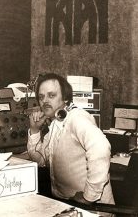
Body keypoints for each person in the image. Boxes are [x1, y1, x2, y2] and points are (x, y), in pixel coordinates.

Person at [27, 73, 114, 205]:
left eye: (51, 95)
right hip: (65, 204)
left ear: (65, 98)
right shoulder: (56, 123)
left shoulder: (77, 118)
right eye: (41, 97)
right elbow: (40, 160)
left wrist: (89, 197)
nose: (45, 101)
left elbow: (101, 148)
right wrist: (34, 130)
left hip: (92, 208)